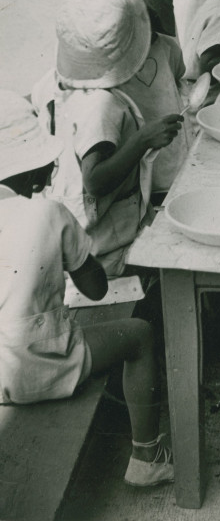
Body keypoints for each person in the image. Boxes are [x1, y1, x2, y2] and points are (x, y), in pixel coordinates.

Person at [0, 91, 173, 486]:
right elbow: (94, 290)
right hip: (36, 365)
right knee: (139, 335)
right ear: (32, 170)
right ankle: (147, 456)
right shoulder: (48, 211)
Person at [32, 0, 183, 275]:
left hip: (72, 227)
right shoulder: (101, 105)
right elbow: (95, 181)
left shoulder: (51, 83)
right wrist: (143, 140)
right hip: (108, 246)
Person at [102, 0, 190, 195]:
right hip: (129, 181)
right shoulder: (102, 62)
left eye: (148, 18)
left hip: (171, 171)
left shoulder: (167, 48)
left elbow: (177, 77)